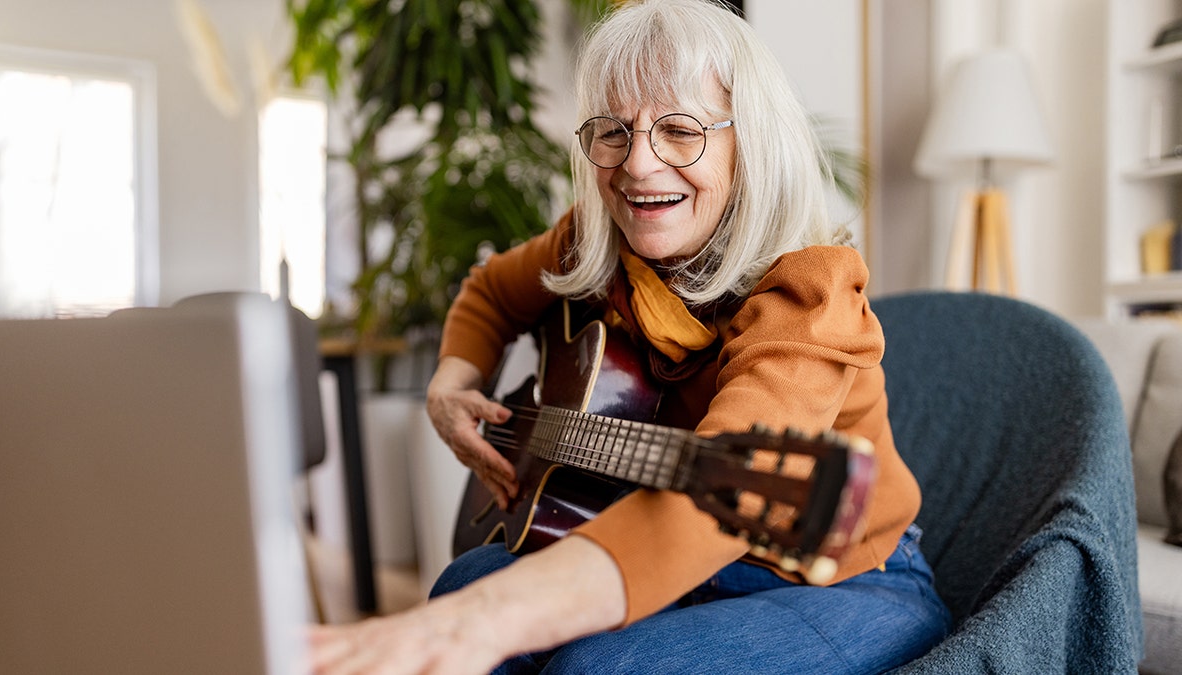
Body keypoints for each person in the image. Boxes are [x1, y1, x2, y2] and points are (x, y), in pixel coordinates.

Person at [309, 0, 951, 672]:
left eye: (680, 130)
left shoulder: (809, 296)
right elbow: (490, 293)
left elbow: (716, 506)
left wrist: (478, 624)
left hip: (838, 581)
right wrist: (451, 383)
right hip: (664, 548)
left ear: (751, 142)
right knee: (459, 583)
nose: (638, 164)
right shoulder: (598, 245)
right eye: (613, 132)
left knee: (596, 667)